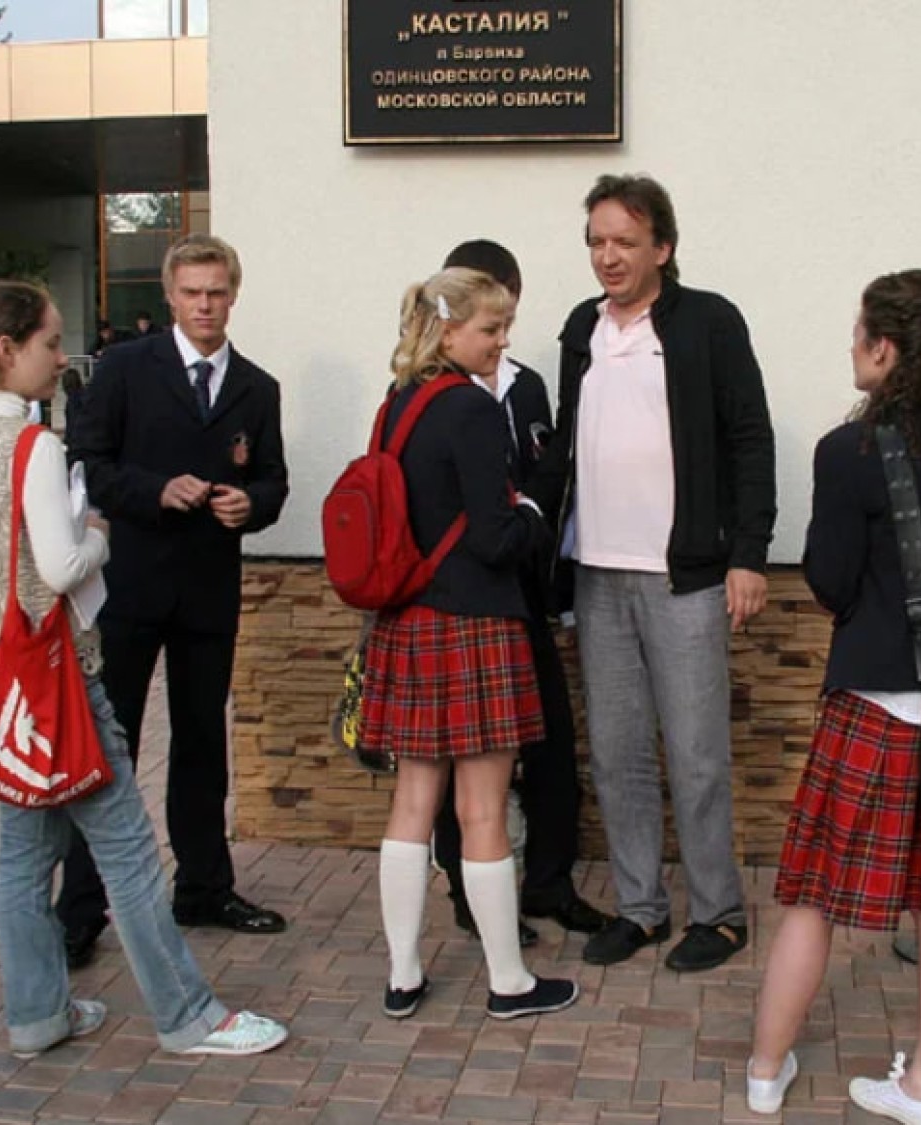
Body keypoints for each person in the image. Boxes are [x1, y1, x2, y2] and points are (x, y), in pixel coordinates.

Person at [0, 279, 288, 1059]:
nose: (62, 358)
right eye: (50, 343)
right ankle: (189, 1015)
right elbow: (60, 567)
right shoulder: (32, 443)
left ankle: (38, 1014)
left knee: (24, 855)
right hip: (51, 672)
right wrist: (97, 533)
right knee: (126, 847)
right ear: (7, 349)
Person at [745, 271, 921, 1122]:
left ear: (887, 347)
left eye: (860, 331)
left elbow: (830, 579)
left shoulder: (847, 451)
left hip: (876, 702)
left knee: (812, 896)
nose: (852, 344)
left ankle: (764, 1074)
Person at [528, 174, 776, 973]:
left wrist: (748, 554)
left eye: (625, 242)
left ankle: (719, 913)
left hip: (686, 578)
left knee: (697, 754)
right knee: (618, 751)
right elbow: (567, 442)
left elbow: (751, 438)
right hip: (597, 575)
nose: (608, 256)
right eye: (597, 241)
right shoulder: (582, 327)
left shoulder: (709, 322)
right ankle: (640, 907)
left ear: (662, 247)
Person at [54, 234, 290, 969]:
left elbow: (274, 482)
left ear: (234, 293)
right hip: (127, 588)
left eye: (216, 291)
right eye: (192, 292)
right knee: (111, 743)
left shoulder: (257, 386)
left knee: (201, 741)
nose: (204, 305)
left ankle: (204, 887)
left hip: (209, 590)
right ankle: (80, 910)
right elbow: (87, 464)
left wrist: (250, 505)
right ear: (170, 295)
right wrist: (155, 490)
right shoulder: (126, 368)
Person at [359, 267, 579, 1022]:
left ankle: (403, 975)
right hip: (476, 624)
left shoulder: (397, 403)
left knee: (412, 804)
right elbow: (493, 538)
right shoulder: (472, 408)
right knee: (482, 808)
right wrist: (535, 511)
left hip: (410, 619)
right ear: (449, 330)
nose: (501, 342)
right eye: (491, 328)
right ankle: (509, 982)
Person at [428, 239, 609, 947]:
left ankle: (549, 881)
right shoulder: (432, 390)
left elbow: (550, 474)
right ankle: (468, 890)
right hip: (464, 603)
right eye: (489, 316)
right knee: (464, 757)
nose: (501, 331)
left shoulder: (527, 386)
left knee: (551, 740)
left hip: (526, 595)